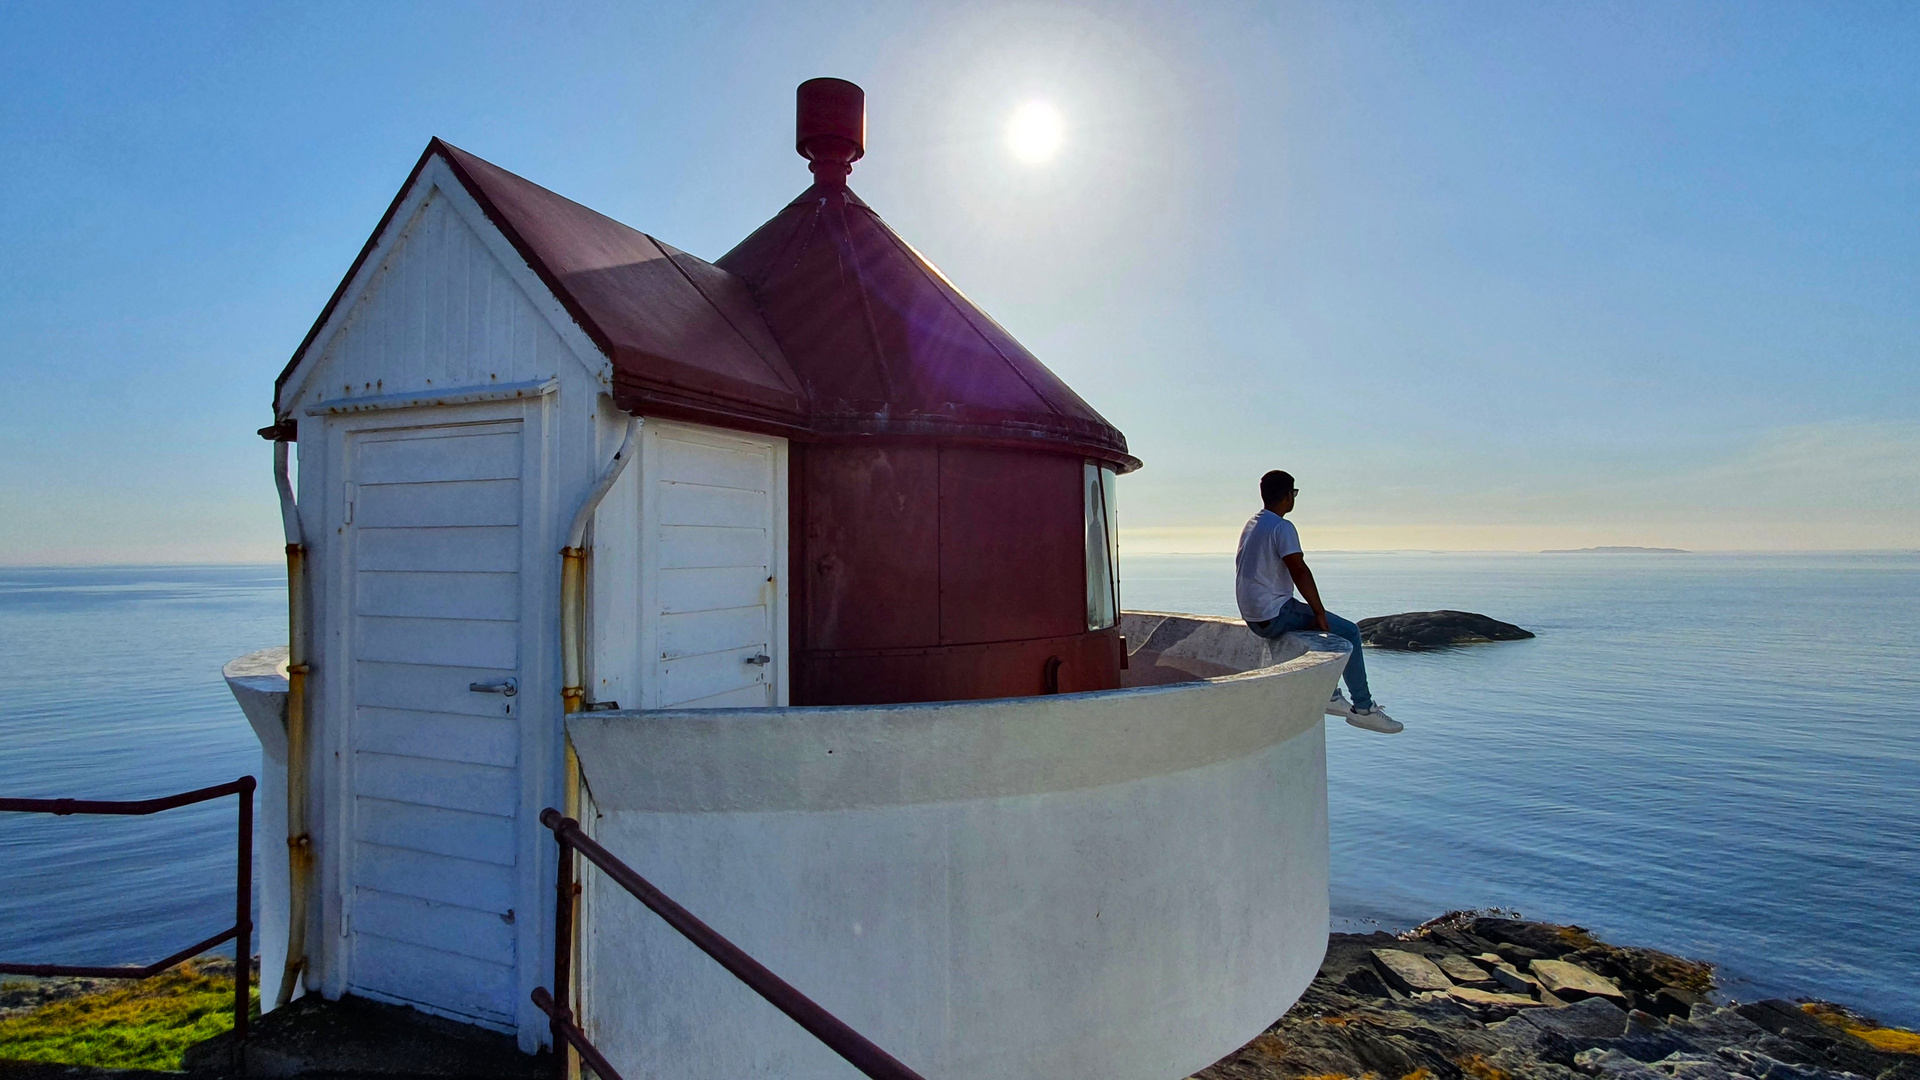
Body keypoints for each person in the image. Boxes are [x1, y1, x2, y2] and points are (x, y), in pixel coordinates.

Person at [1235, 470, 1402, 734]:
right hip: (1274, 613)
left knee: (1315, 629)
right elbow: (1299, 570)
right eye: (1295, 493)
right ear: (1289, 496)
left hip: (1254, 616)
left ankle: (1330, 693)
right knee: (1348, 631)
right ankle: (1364, 709)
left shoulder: (1253, 524)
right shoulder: (1282, 527)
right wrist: (1319, 612)